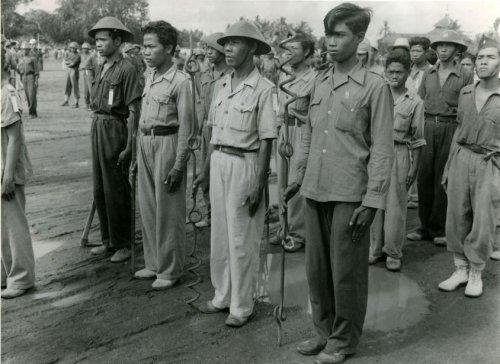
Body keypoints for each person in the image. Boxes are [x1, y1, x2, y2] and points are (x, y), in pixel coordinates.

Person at [285, 4, 394, 363]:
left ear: (360, 39)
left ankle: (344, 340)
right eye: (328, 35)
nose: (331, 43)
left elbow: (381, 148)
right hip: (315, 188)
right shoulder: (319, 81)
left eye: (340, 35)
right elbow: (306, 134)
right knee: (316, 271)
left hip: (350, 192)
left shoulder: (375, 87)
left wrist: (373, 201)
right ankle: (324, 331)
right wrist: (297, 176)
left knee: (346, 273)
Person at [194, 20, 277, 328]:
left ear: (252, 48)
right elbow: (214, 133)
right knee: (219, 236)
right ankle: (222, 295)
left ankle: (242, 306)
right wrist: (204, 170)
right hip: (219, 162)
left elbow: (267, 139)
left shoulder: (264, 89)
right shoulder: (221, 84)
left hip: (246, 163)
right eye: (225, 43)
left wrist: (259, 184)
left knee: (242, 238)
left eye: (236, 43)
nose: (227, 48)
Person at [134, 20, 194, 289]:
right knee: (148, 207)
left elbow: (187, 129)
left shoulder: (181, 82)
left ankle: (170, 270)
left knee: (168, 210)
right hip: (146, 142)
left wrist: (179, 164)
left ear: (168, 48)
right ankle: (154, 262)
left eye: (151, 46)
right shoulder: (151, 76)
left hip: (168, 144)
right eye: (143, 47)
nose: (145, 52)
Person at [438, 37, 500, 298]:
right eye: (480, 58)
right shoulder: (465, 93)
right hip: (462, 156)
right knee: (456, 214)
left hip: (490, 161)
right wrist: (449, 165)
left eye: (490, 57)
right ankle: (460, 268)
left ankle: (476, 271)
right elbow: (459, 131)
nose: (483, 62)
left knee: (484, 218)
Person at [407, 29, 473, 246]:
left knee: (443, 179)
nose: (443, 49)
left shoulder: (464, 75)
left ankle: (439, 228)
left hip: (450, 128)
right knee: (424, 177)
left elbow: (468, 109)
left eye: (448, 45)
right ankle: (423, 226)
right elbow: (420, 101)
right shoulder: (429, 73)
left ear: (456, 50)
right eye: (439, 46)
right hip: (427, 126)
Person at [87, 17, 142, 263]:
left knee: (116, 187)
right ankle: (108, 240)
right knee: (100, 188)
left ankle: (124, 243)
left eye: (103, 39)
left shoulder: (127, 68)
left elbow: (134, 111)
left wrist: (130, 145)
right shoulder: (101, 66)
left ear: (117, 41)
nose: (98, 44)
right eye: (96, 40)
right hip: (98, 127)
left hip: (115, 130)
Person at [369, 49, 426, 271]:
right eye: (390, 71)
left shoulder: (415, 102)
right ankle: (374, 248)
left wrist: (414, 168)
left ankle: (393, 251)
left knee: (395, 206)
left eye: (399, 72)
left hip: (399, 153)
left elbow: (419, 139)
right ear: (385, 71)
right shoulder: (377, 94)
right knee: (373, 202)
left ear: (408, 72)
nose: (394, 76)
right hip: (375, 152)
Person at [275, 32, 316, 252]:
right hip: (284, 131)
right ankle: (283, 228)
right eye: (286, 49)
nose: (288, 54)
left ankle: (298, 233)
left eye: (294, 50)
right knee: (281, 181)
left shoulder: (315, 78)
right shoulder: (284, 75)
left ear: (307, 52)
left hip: (302, 132)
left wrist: (296, 116)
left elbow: (315, 115)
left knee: (296, 182)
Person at [1, 48, 35, 299]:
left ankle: (21, 277)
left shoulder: (7, 94)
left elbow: (13, 139)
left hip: (7, 168)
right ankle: (5, 273)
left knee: (14, 224)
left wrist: (8, 177)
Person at [195, 32, 232, 228]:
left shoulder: (231, 75)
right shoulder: (205, 75)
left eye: (212, 49)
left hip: (223, 131)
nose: (207, 52)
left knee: (222, 174)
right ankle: (210, 214)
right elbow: (200, 103)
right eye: (206, 48)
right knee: (205, 172)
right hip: (206, 130)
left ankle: (224, 216)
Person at [406, 37, 432, 208]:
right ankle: (407, 192)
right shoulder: (407, 69)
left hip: (422, 116)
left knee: (419, 154)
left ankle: (416, 196)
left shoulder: (431, 71)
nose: (414, 54)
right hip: (405, 115)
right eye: (412, 51)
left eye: (418, 51)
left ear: (426, 52)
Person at [16, 42, 39, 119]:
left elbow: (36, 71)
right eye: (23, 49)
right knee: (27, 96)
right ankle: (33, 112)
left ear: (29, 50)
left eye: (26, 49)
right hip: (23, 77)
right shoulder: (20, 59)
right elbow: (19, 69)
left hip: (31, 76)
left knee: (32, 95)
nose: (24, 51)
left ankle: (32, 112)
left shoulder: (33, 58)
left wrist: (36, 80)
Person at [61, 42, 81, 108]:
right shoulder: (69, 54)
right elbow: (65, 61)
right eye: (71, 48)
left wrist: (69, 63)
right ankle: (66, 101)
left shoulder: (78, 55)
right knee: (67, 86)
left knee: (75, 87)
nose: (72, 49)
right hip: (69, 71)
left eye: (74, 48)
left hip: (74, 71)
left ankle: (76, 102)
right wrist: (69, 62)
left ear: (76, 48)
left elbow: (73, 63)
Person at [80, 42, 97, 110]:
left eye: (86, 48)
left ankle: (93, 105)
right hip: (84, 73)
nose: (84, 50)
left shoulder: (92, 55)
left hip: (90, 73)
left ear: (89, 49)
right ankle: (87, 104)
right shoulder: (82, 55)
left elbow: (95, 66)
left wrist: (90, 69)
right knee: (85, 90)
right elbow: (82, 63)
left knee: (91, 90)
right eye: (83, 48)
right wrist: (81, 67)